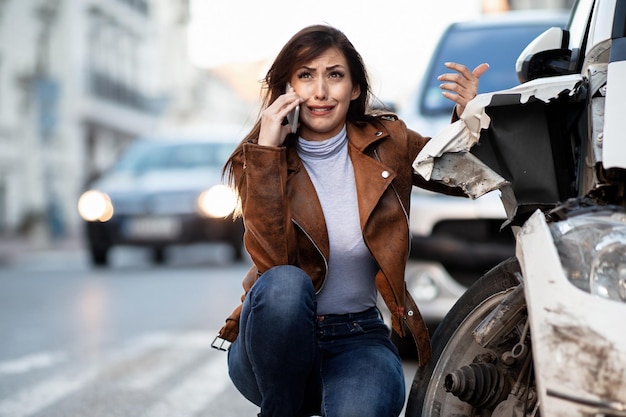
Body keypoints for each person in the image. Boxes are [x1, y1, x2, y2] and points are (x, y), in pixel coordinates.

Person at [213, 24, 489, 417]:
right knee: (286, 284)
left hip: (357, 339)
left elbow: (461, 178)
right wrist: (268, 154)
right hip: (270, 350)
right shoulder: (258, 158)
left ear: (355, 88)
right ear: (287, 89)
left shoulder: (388, 143)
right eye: (306, 76)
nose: (320, 91)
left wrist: (467, 117)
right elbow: (272, 263)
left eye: (335, 75)